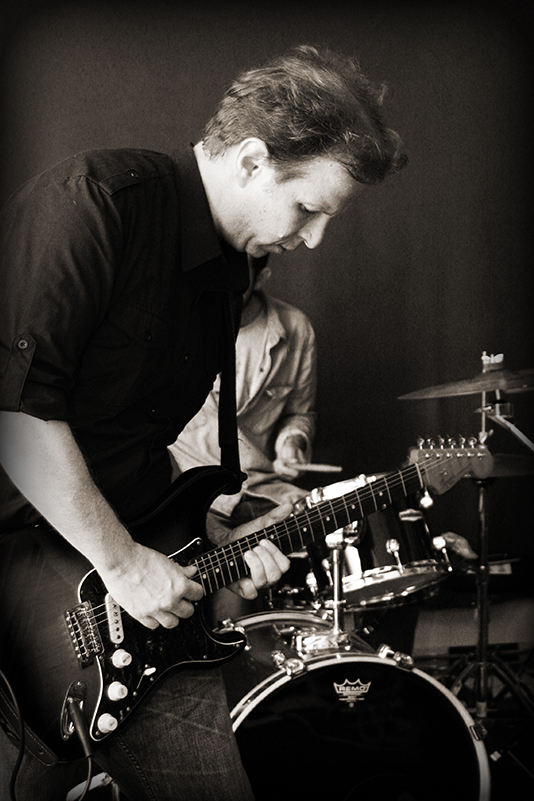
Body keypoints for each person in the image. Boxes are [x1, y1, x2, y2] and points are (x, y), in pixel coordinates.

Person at [0, 45, 406, 801]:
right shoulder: (96, 202)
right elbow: (17, 412)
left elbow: (132, 443)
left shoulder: (228, 271)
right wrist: (124, 565)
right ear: (251, 160)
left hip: (140, 600)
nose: (314, 239)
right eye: (309, 208)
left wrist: (212, 531)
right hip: (35, 592)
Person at [169, 256, 317, 623]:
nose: (225, 283)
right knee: (232, 595)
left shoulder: (296, 328)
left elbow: (299, 414)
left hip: (265, 490)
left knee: (338, 534)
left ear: (262, 276)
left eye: (238, 276)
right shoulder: (176, 324)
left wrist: (292, 442)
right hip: (194, 500)